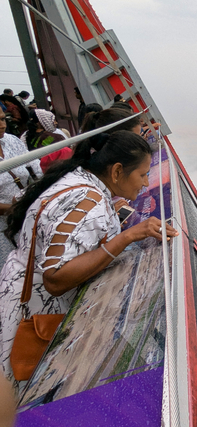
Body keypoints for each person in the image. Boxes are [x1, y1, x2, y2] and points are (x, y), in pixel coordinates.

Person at [0, 130, 178, 385]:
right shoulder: (88, 200)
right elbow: (56, 278)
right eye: (142, 174)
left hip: (18, 293)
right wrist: (125, 238)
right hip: (33, 313)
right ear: (117, 171)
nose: (144, 182)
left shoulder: (80, 181)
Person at [0, 111, 42, 266]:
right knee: (13, 272)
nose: (2, 125)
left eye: (3, 119)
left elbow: (35, 168)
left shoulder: (11, 141)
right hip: (4, 231)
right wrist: (17, 207)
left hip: (27, 220)